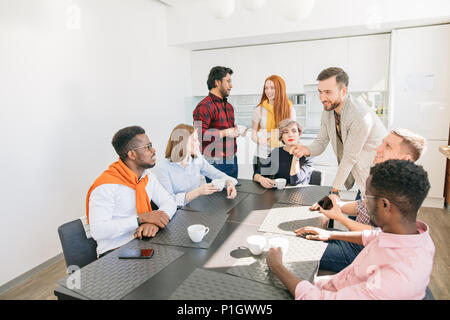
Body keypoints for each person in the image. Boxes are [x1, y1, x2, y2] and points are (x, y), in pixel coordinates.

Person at [267, 160, 435, 300]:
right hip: (335, 283)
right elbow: (373, 235)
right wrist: (330, 233)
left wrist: (277, 267)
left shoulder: (392, 282)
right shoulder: (413, 235)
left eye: (366, 197)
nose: (363, 203)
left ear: (384, 204)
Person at [306, 128, 427, 272]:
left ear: (405, 159)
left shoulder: (402, 195)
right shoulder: (384, 178)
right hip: (353, 240)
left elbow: (377, 234)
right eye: (382, 143)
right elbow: (361, 206)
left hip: (363, 252)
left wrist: (340, 218)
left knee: (301, 246)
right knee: (303, 234)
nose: (378, 148)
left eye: (388, 146)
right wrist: (338, 205)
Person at [291, 67, 387, 198]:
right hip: (362, 176)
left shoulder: (360, 115)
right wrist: (305, 149)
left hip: (379, 179)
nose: (322, 97)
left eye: (328, 92)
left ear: (343, 91)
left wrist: (335, 190)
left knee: (368, 216)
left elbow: (349, 157)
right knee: (359, 214)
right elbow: (321, 142)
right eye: (320, 92)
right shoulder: (328, 110)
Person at [86, 126, 177, 258]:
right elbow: (98, 230)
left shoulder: (147, 176)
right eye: (148, 147)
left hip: (144, 242)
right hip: (115, 251)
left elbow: (169, 202)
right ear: (132, 154)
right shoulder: (105, 186)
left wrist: (154, 222)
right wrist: (141, 219)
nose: (154, 150)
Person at [157, 123, 238, 207]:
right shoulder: (164, 168)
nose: (198, 144)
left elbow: (217, 174)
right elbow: (168, 201)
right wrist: (198, 191)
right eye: (194, 140)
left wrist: (229, 183)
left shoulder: (197, 159)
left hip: (195, 208)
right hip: (175, 212)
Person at [193, 66, 247, 182]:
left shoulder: (229, 107)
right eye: (228, 81)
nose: (231, 86)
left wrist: (235, 131)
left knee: (233, 197)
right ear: (217, 82)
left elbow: (224, 130)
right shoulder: (204, 106)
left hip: (232, 159)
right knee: (217, 199)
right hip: (215, 162)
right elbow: (199, 135)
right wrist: (227, 132)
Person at [251, 75, 296, 172]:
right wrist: (259, 140)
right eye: (266, 88)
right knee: (260, 185)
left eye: (272, 88)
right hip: (262, 156)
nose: (268, 91)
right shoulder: (259, 110)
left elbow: (293, 133)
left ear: (280, 89)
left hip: (282, 156)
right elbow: (253, 133)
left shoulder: (289, 108)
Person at [253, 119, 313, 188]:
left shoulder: (308, 154)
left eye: (294, 131)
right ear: (281, 137)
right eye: (285, 132)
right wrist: (262, 179)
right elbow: (256, 174)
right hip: (278, 194)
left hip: (300, 195)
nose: (290, 135)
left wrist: (296, 155)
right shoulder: (277, 152)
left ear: (299, 134)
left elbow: (295, 181)